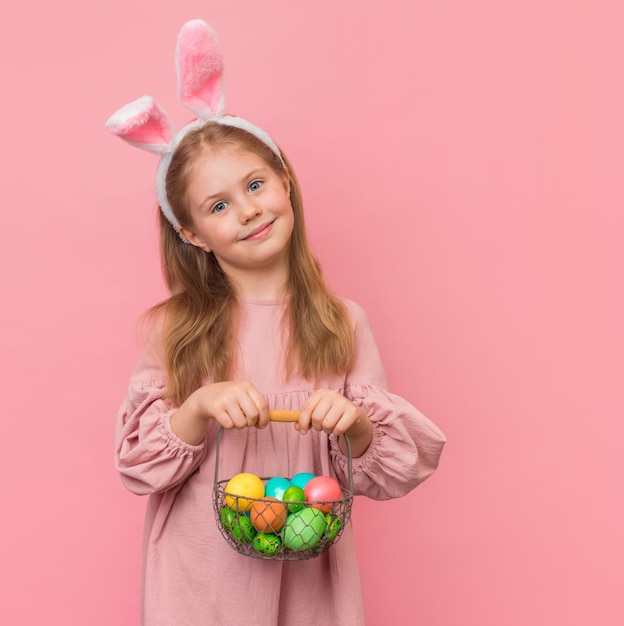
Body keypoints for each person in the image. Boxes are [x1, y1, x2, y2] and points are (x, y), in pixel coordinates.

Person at [108, 19, 445, 626]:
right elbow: (137, 465)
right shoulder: (174, 329)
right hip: (202, 583)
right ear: (192, 234)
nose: (249, 210)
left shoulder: (343, 323)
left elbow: (389, 472)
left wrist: (357, 425)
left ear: (285, 182)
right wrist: (198, 406)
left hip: (309, 581)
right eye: (218, 205)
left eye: (256, 184)